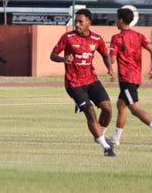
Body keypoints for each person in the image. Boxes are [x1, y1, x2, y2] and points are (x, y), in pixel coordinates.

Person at [50, 9, 116, 157]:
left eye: (81, 22)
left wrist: (110, 69)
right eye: (76, 21)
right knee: (90, 112)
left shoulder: (97, 39)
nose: (77, 24)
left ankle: (99, 135)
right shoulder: (68, 37)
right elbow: (52, 55)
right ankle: (105, 147)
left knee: (108, 109)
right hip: (74, 83)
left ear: (89, 23)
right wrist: (63, 59)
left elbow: (105, 55)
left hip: (92, 80)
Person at [107, 8, 152, 148]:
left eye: (117, 19)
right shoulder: (139, 36)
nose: (116, 21)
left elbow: (112, 60)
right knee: (121, 105)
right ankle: (116, 138)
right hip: (135, 77)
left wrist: (107, 55)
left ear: (121, 20)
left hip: (126, 78)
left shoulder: (117, 38)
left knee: (134, 108)